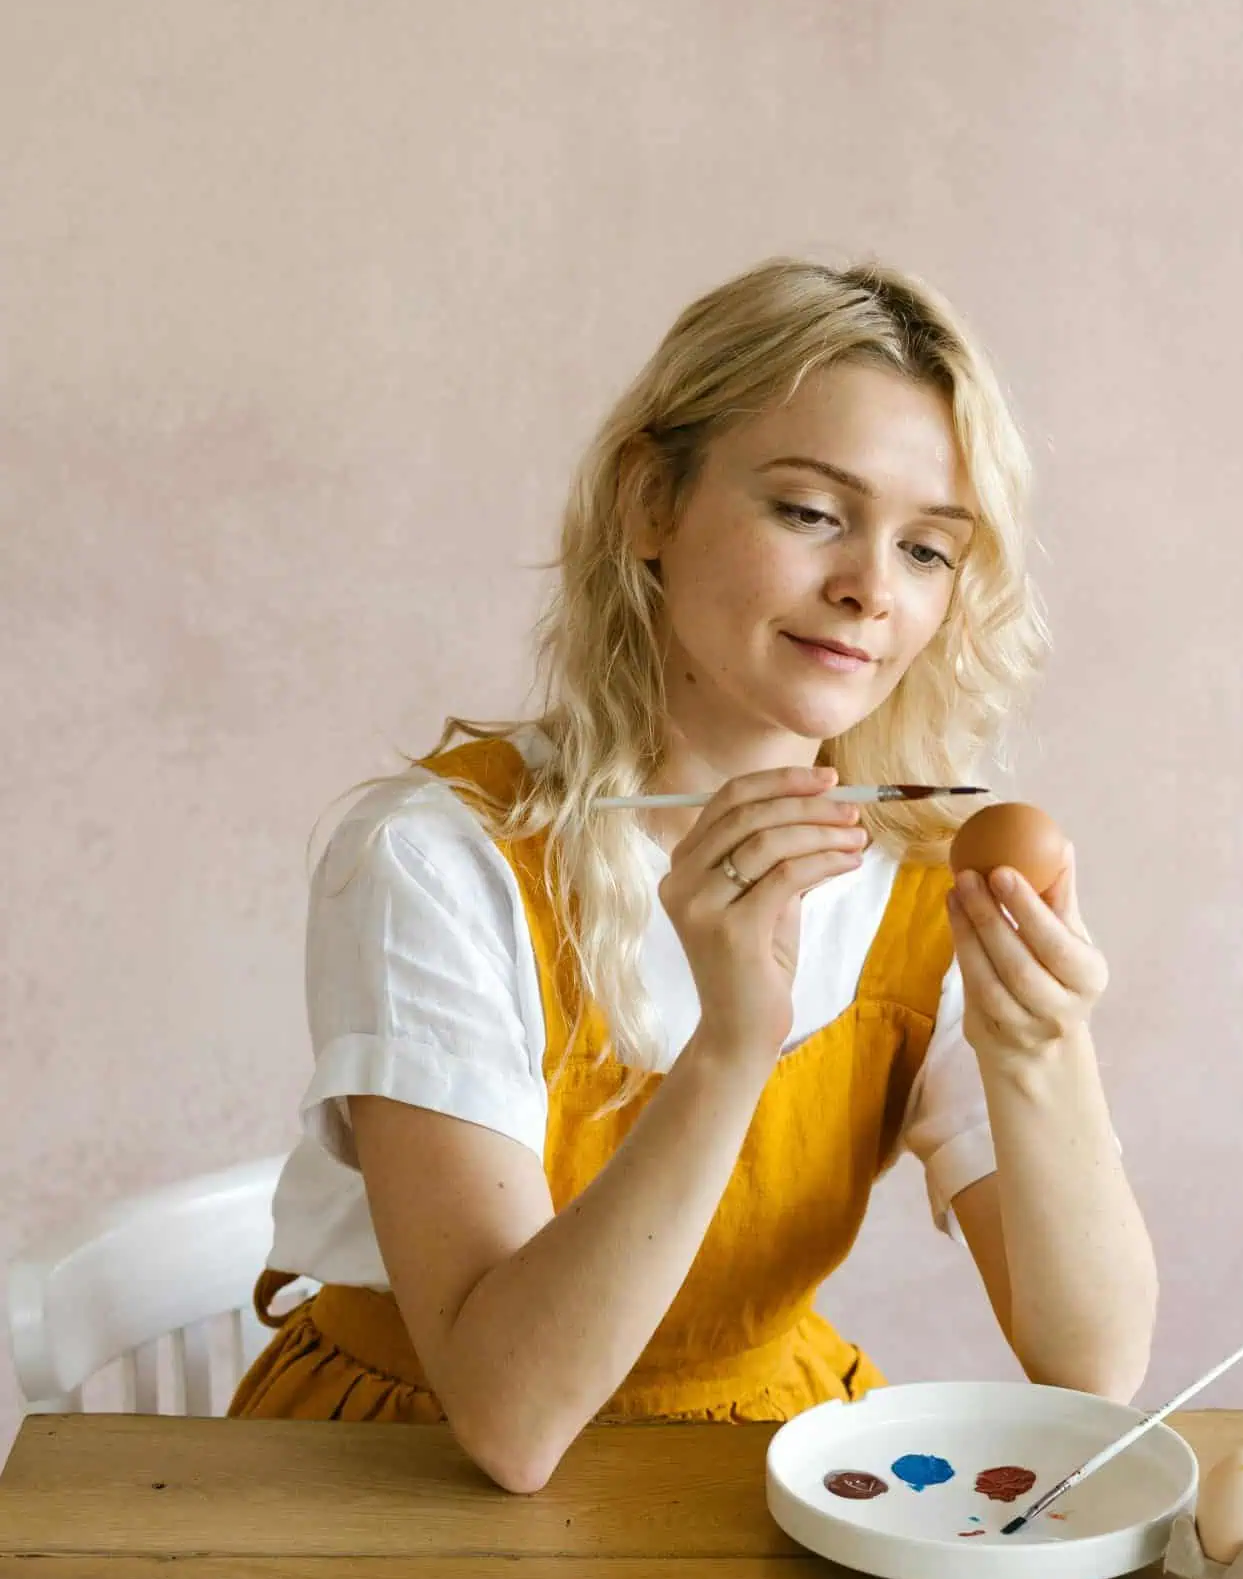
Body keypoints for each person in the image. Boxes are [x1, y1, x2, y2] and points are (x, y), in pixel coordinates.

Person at [230, 256, 1159, 1490]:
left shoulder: (922, 874)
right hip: (409, 1479)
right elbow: (509, 1420)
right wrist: (732, 1043)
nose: (870, 589)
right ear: (649, 503)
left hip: (754, 1454)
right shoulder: (435, 859)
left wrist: (1043, 1047)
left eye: (929, 549)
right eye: (811, 511)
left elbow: (1093, 1364)